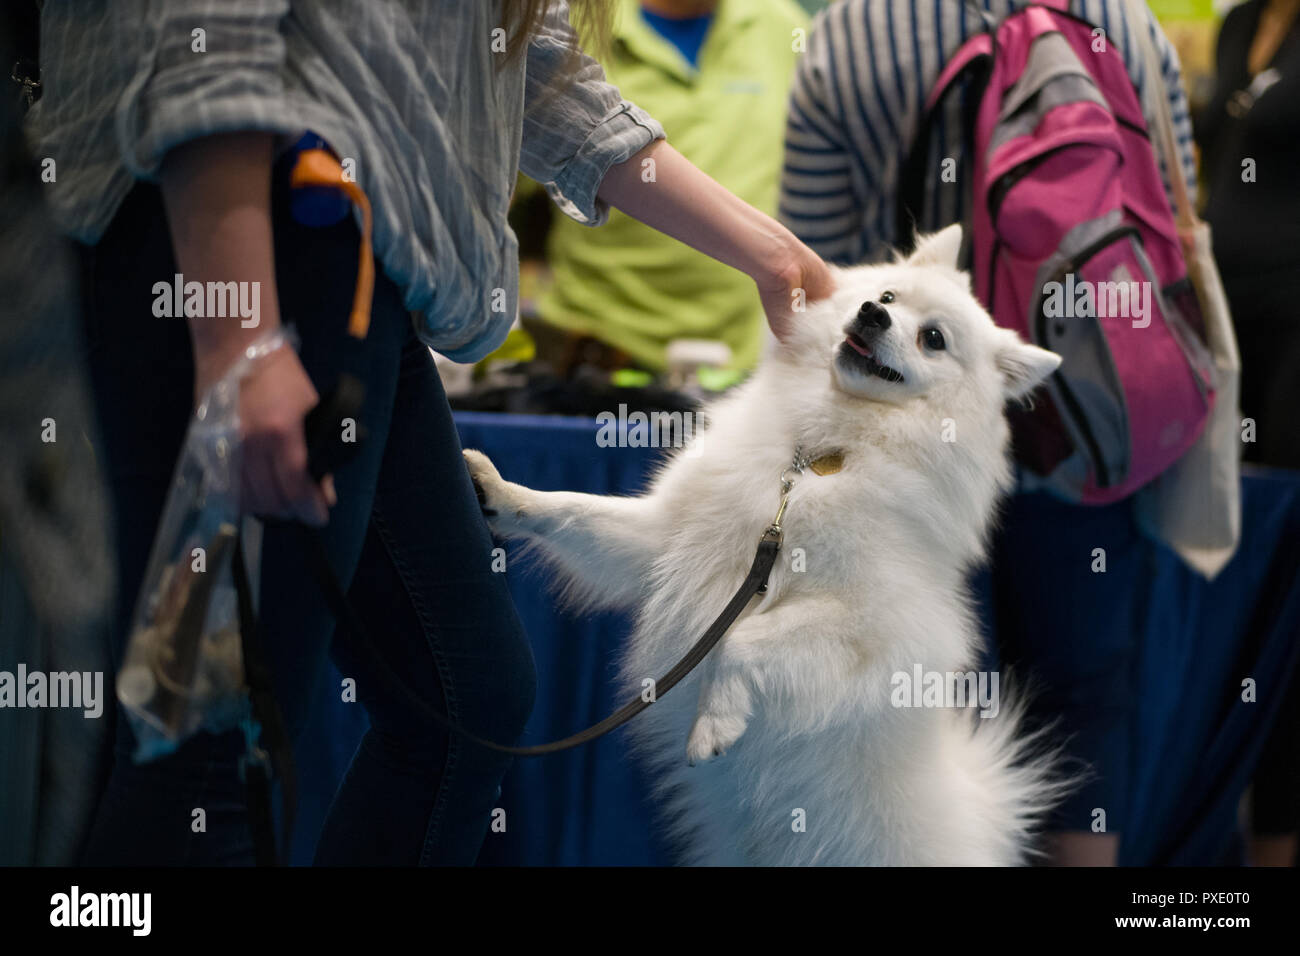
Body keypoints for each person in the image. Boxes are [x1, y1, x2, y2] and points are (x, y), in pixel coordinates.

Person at [31, 0, 832, 865]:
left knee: (468, 701)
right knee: (209, 746)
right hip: (246, 249)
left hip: (363, 274)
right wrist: (242, 338)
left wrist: (770, 251)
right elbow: (202, 32)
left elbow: (536, 70)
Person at [779, 0, 1196, 866]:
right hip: (1085, 425)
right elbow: (1179, 233)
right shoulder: (1128, 22)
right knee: (1083, 693)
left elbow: (807, 272)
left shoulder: (849, 34)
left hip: (894, 454)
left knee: (913, 700)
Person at [531, 0, 810, 375]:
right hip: (592, 364)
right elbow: (496, 184)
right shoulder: (566, 26)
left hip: (740, 370)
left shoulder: (784, 29)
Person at [1196, 0, 1300, 866]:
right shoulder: (1240, 23)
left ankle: (1276, 843)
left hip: (1297, 334)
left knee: (1290, 583)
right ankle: (1215, 825)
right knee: (1227, 575)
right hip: (1227, 340)